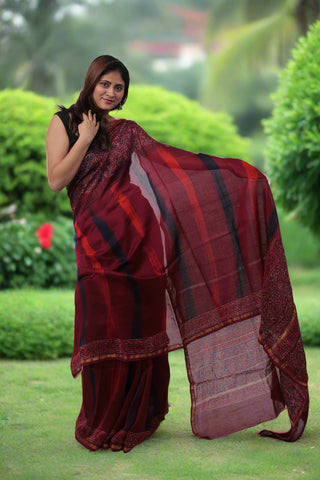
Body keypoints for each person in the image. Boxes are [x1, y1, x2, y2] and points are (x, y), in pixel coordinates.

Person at [46, 55, 309, 453]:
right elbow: (56, 180)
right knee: (102, 326)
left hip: (141, 242)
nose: (111, 92)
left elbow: (172, 165)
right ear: (91, 81)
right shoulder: (64, 121)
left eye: (118, 88)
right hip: (97, 246)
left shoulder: (129, 132)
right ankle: (101, 418)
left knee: (140, 327)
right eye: (105, 84)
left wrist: (243, 177)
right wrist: (84, 137)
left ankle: (139, 415)